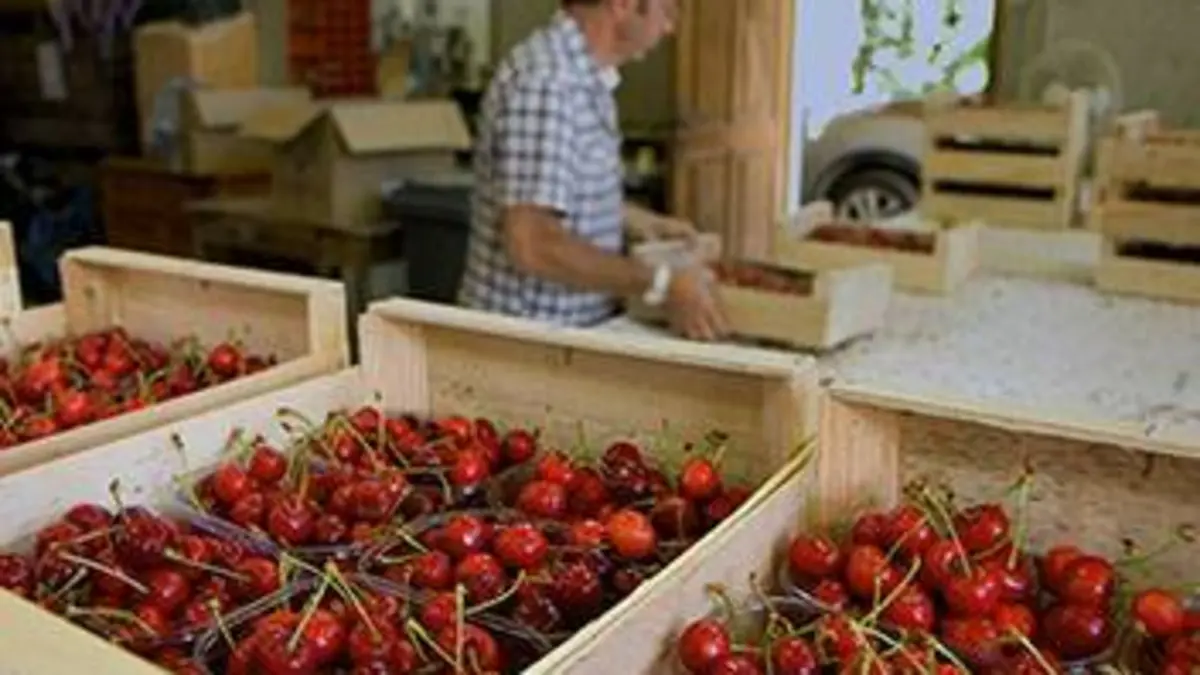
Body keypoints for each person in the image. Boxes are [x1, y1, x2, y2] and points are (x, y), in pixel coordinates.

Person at [459, 0, 730, 341]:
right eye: (668, 9)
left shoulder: (585, 77)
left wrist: (641, 221)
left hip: (568, 333)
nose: (669, 27)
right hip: (525, 344)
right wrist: (660, 281)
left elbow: (556, 190)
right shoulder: (548, 84)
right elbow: (532, 243)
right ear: (622, 5)